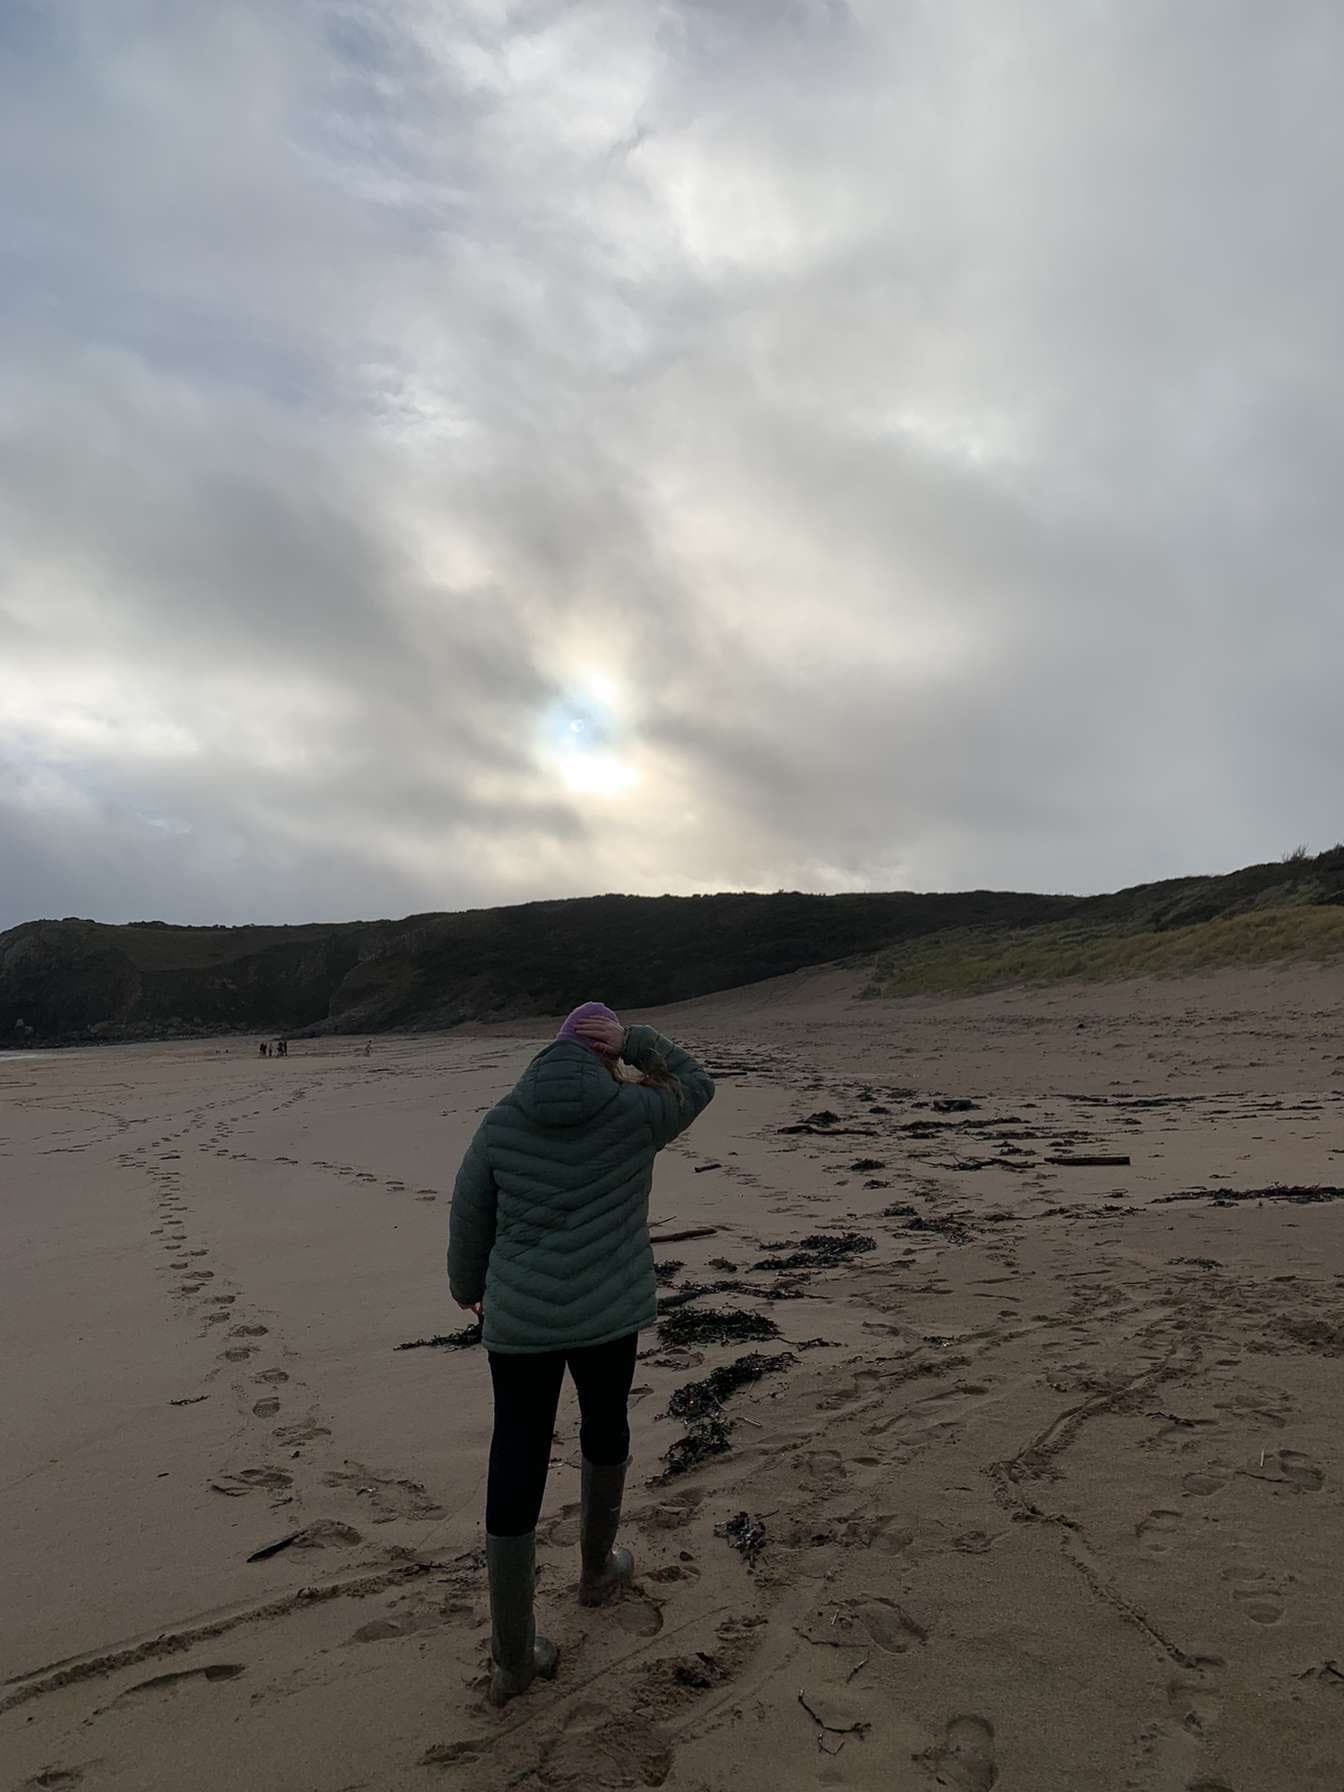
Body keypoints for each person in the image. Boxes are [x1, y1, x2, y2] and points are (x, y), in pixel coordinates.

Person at [448, 1003, 714, 1707]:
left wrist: (467, 1289)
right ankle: (597, 1576)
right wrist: (641, 1044)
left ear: (551, 1050)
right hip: (606, 1314)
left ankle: (512, 1657)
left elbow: (469, 1210)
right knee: (604, 1428)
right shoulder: (635, 1113)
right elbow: (697, 1083)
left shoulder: (504, 1120)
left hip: (521, 1321)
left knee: (518, 1452)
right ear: (607, 1052)